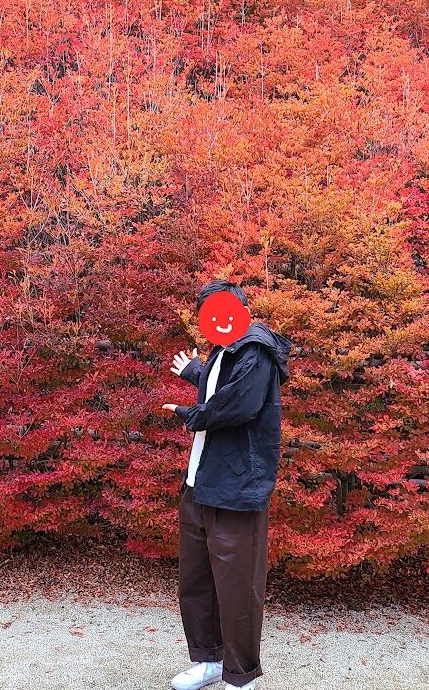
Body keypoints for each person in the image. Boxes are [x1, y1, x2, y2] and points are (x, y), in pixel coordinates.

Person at [162, 280, 292, 690]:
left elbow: (239, 403)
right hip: (200, 482)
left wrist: (190, 413)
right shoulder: (225, 349)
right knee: (196, 580)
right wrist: (195, 372)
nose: (214, 320)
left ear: (242, 308)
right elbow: (223, 386)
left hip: (237, 489)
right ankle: (208, 661)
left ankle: (241, 677)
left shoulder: (256, 348)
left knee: (238, 587)